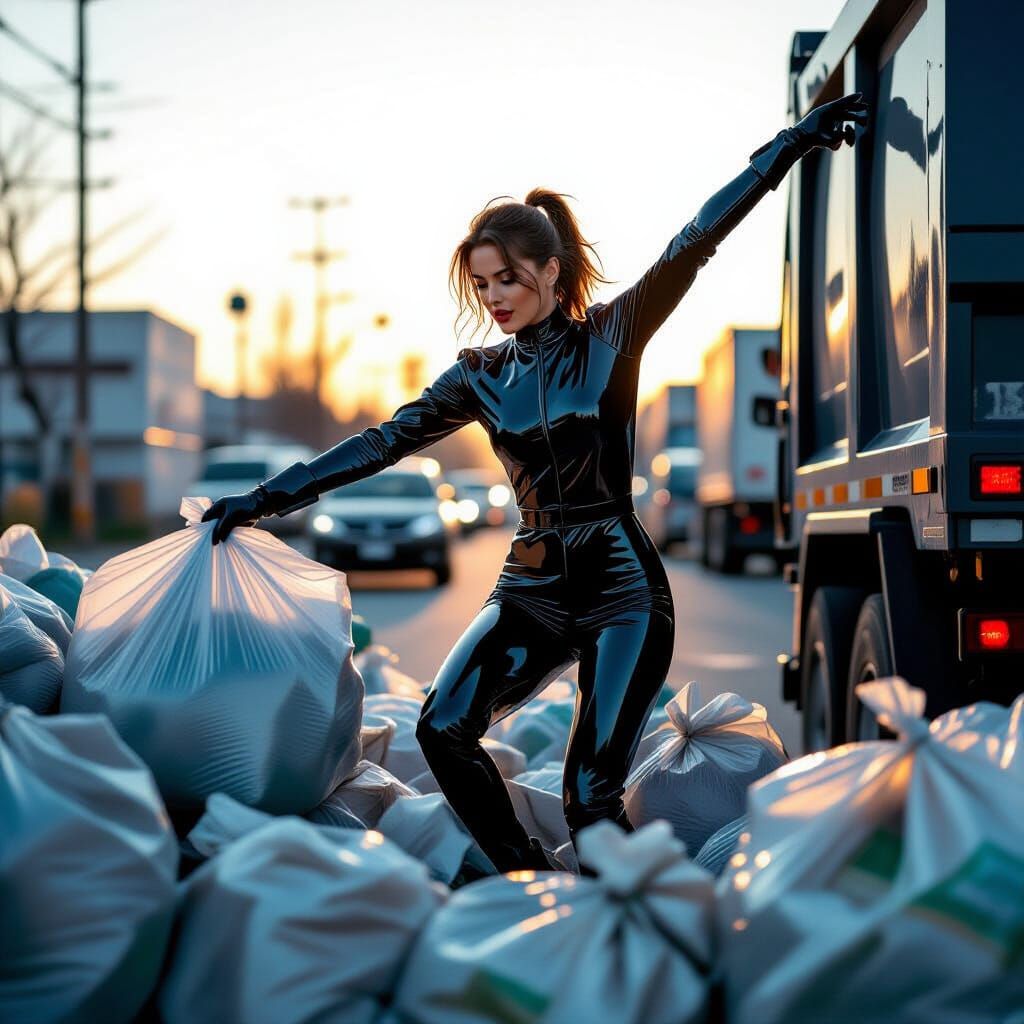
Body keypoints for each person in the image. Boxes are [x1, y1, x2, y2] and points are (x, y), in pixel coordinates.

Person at [203, 93, 868, 872]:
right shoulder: (479, 376)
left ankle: (638, 926)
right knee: (441, 725)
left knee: (591, 793)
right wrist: (263, 499)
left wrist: (791, 144)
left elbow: (696, 240)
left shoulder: (614, 337)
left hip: (622, 589)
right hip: (531, 586)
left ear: (551, 272)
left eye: (507, 279)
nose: (493, 299)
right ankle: (530, 880)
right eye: (482, 285)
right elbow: (383, 441)